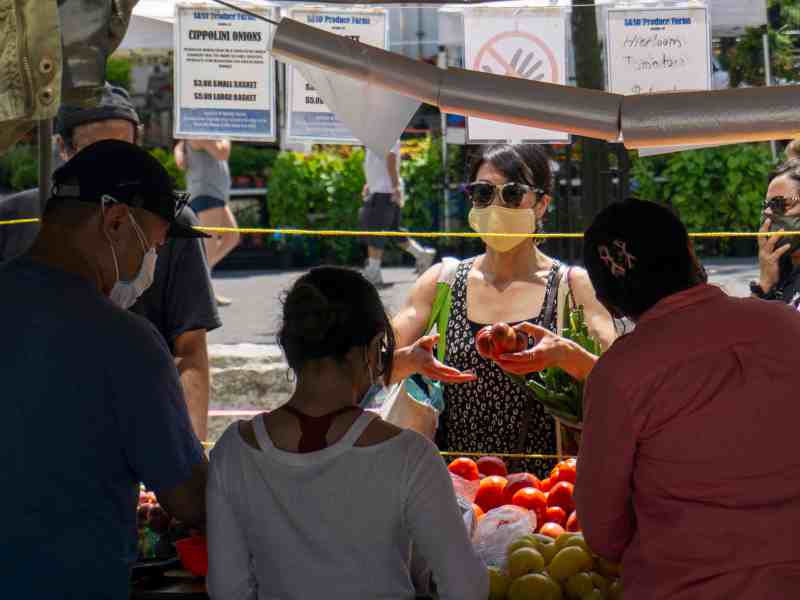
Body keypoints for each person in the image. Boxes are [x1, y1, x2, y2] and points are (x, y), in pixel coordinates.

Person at [0, 139, 208, 599]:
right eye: (152, 246)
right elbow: (192, 499)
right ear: (115, 221)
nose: (148, 264)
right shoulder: (125, 342)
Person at [206, 266, 487, 600]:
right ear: (370, 351)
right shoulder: (410, 456)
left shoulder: (233, 451)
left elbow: (227, 589)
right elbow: (466, 587)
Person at [575, 199, 800, 599]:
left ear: (608, 300)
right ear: (691, 253)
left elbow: (603, 532)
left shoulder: (619, 374)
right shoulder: (786, 325)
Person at [0, 83, 221, 441]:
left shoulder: (172, 224)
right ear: (63, 149)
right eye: (95, 154)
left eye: (123, 151)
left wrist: (190, 449)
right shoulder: (14, 220)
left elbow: (190, 350)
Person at [389, 144, 614, 476]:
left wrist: (566, 355)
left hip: (548, 497)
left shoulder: (572, 287)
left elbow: (619, 382)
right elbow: (369, 368)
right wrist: (407, 362)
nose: (495, 206)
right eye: (482, 193)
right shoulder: (442, 281)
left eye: (511, 194)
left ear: (541, 203)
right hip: (455, 495)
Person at [359, 142, 436, 288]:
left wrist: (395, 188)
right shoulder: (379, 136)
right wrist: (371, 183)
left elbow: (391, 160)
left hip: (385, 192)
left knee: (375, 231)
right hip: (383, 190)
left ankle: (373, 273)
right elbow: (377, 164)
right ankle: (422, 255)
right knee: (393, 231)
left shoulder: (388, 135)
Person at [175, 138, 239, 306]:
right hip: (207, 193)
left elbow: (180, 161)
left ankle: (196, 280)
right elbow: (223, 153)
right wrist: (227, 134)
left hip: (214, 194)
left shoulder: (190, 138)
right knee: (208, 250)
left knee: (232, 237)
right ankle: (199, 290)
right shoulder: (199, 133)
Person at [752, 159, 800, 309]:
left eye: (779, 203)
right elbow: (745, 330)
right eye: (766, 205)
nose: (767, 212)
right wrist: (765, 284)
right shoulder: (781, 268)